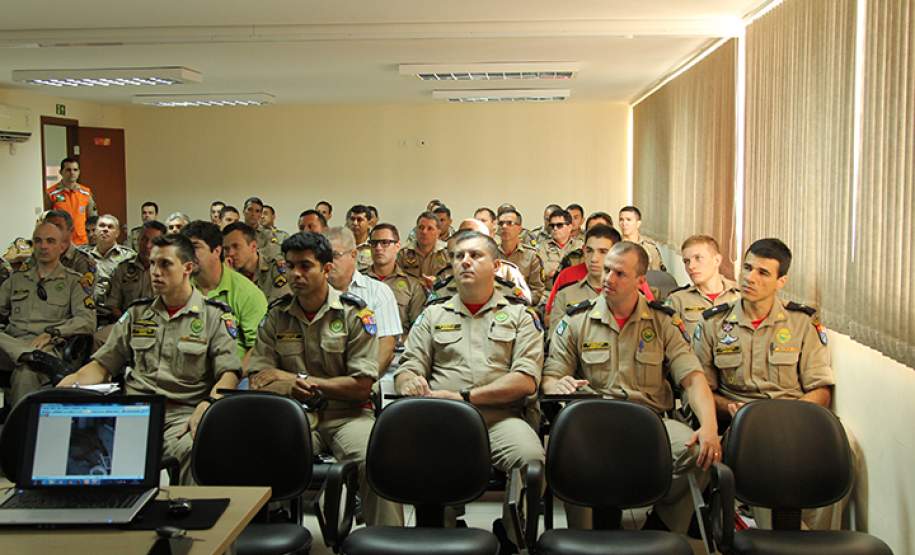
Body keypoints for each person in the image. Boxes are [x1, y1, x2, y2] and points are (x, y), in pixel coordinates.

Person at [543, 241, 720, 531]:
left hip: (650, 422)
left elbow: (692, 378)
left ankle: (662, 526)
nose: (608, 279)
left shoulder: (662, 321)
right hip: (592, 423)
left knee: (700, 452)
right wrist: (557, 383)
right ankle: (582, 537)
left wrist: (710, 426)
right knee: (570, 452)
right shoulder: (577, 319)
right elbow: (550, 378)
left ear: (640, 280)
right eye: (608, 270)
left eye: (620, 274)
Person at [693, 238, 854, 531]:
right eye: (747, 268)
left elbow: (821, 389)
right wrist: (730, 409)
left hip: (796, 416)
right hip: (741, 424)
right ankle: (776, 541)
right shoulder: (713, 324)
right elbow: (702, 388)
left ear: (782, 281)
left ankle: (816, 540)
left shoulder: (802, 323)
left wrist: (788, 419)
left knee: (846, 446)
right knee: (767, 452)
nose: (750, 278)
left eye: (763, 273)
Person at [394, 231, 544, 541]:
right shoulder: (433, 315)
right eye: (458, 256)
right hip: (444, 420)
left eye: (475, 255)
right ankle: (442, 532)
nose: (465, 262)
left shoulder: (519, 316)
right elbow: (408, 365)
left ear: (496, 265)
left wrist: (464, 397)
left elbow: (525, 380)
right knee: (426, 459)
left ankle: (512, 535)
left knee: (531, 458)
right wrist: (408, 381)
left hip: (501, 419)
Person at [247, 231, 403, 527]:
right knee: (255, 451)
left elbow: (361, 386)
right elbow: (258, 379)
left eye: (305, 266)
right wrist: (291, 385)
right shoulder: (276, 317)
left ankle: (387, 540)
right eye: (290, 266)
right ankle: (266, 532)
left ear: (326, 269)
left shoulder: (355, 315)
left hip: (348, 415)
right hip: (294, 416)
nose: (295, 274)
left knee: (377, 460)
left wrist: (295, 379)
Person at [59, 234, 241, 484]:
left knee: (195, 449)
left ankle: (187, 516)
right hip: (134, 412)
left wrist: (210, 403)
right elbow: (103, 365)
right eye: (153, 264)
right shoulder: (137, 313)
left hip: (182, 415)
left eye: (165, 264)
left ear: (188, 268)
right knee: (79, 446)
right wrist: (70, 386)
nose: (155, 272)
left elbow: (229, 373)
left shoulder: (213, 316)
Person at [0, 222, 96, 405]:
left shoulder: (74, 282)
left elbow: (87, 321)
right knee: (25, 360)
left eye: (50, 241)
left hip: (48, 347)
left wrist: (53, 333)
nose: (43, 246)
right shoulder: (16, 280)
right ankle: (27, 354)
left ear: (62, 246)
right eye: (38, 241)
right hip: (11, 345)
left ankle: (21, 433)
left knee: (26, 374)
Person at [181, 221, 268, 360]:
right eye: (184, 248)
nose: (187, 254)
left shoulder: (247, 293)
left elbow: (257, 348)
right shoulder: (179, 286)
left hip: (233, 373)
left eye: (195, 247)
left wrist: (232, 377)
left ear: (216, 251)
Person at [324, 227, 401, 375]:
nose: (328, 263)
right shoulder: (315, 292)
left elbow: (386, 346)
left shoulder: (378, 292)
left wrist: (365, 382)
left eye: (334, 255)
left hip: (363, 381)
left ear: (353, 255)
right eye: (323, 257)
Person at [665, 235, 740, 337]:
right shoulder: (677, 301)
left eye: (698, 258)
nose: (691, 266)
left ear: (717, 260)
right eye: (686, 261)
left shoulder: (741, 296)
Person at [547, 224, 617, 334]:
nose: (594, 258)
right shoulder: (565, 294)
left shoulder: (628, 294)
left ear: (617, 253)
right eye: (589, 251)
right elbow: (556, 339)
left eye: (603, 252)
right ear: (583, 250)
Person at [365, 223, 425, 339]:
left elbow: (418, 327)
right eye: (374, 243)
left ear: (397, 246)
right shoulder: (358, 280)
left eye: (385, 243)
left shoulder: (412, 285)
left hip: (399, 349)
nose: (378, 248)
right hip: (363, 349)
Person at [104, 221, 166, 320]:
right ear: (138, 240)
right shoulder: (122, 268)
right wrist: (127, 322)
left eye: (154, 241)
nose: (148, 245)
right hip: (128, 323)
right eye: (144, 239)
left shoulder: (168, 270)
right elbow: (113, 305)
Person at [222, 222, 290, 303]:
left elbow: (277, 310)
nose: (230, 253)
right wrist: (230, 277)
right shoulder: (225, 273)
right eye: (226, 249)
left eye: (236, 246)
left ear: (253, 246)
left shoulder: (275, 270)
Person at [496, 208, 546, 305]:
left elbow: (537, 291)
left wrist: (521, 303)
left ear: (519, 229)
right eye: (501, 223)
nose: (504, 227)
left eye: (509, 223)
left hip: (522, 307)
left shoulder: (532, 256)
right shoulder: (490, 254)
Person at [45, 158, 98, 246]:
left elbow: (93, 219)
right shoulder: (51, 193)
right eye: (68, 170)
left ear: (79, 172)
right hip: (61, 242)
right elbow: (46, 220)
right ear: (61, 172)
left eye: (75, 170)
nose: (72, 173)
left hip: (83, 242)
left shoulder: (86, 192)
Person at [87, 214, 136, 303]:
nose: (105, 229)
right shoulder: (85, 257)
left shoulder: (129, 256)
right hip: (91, 311)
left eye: (110, 227)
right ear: (96, 231)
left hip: (117, 311)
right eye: (101, 226)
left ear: (117, 233)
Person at [397, 211, 450, 289]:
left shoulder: (447, 252)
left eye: (430, 228)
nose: (424, 232)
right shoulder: (403, 252)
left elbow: (452, 276)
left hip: (439, 292)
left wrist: (437, 280)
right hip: (411, 293)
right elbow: (396, 277)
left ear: (438, 232)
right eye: (421, 227)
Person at [42, 210, 98, 279]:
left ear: (71, 231)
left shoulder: (83, 261)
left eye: (58, 227)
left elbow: (84, 288)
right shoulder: (39, 256)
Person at [536, 208, 583, 289]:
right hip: (548, 293)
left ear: (569, 227)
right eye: (552, 225)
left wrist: (555, 271)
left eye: (559, 225)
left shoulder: (580, 246)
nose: (555, 228)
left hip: (575, 292)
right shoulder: (542, 247)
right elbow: (540, 273)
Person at [618, 205, 666, 272]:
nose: (624, 223)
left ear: (638, 223)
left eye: (628, 220)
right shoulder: (614, 244)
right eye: (621, 220)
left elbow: (657, 275)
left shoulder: (649, 247)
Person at [345, 205, 373, 272]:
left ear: (369, 223)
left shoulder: (374, 246)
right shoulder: (342, 244)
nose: (355, 223)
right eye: (352, 219)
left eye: (359, 220)